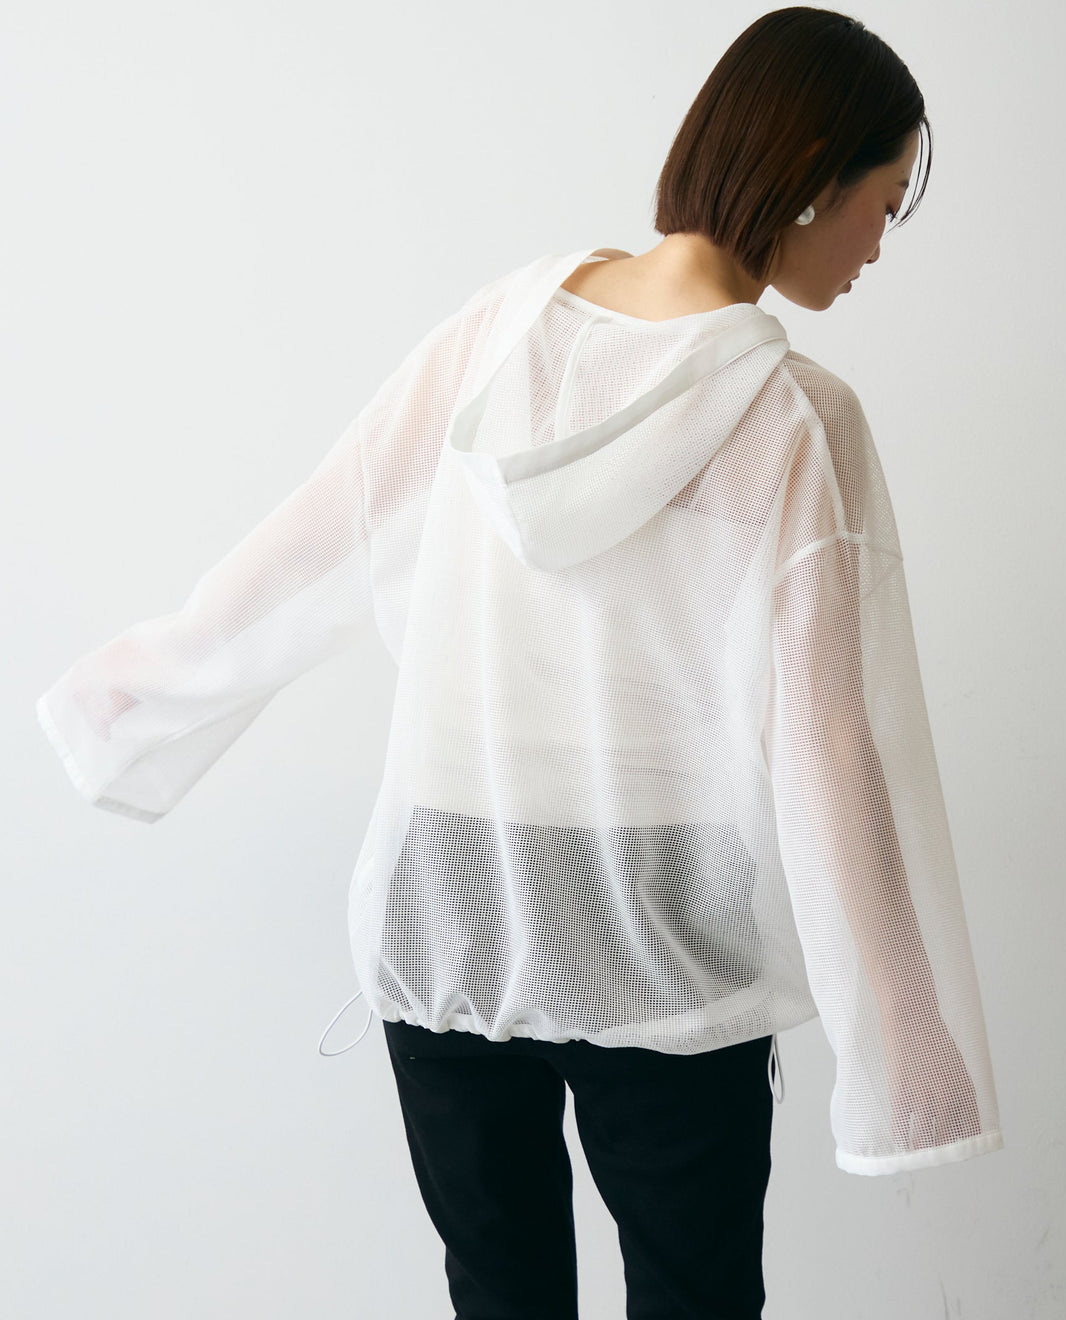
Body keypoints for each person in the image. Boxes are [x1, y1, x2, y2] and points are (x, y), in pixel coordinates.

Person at [36, 7, 1005, 1318]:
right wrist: (909, 1030)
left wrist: (135, 696)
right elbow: (832, 744)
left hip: (447, 905)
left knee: (498, 1295)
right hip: (658, 929)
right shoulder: (797, 421)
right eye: (884, 206)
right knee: (697, 1297)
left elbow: (324, 534)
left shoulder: (502, 329)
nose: (881, 245)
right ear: (813, 176)